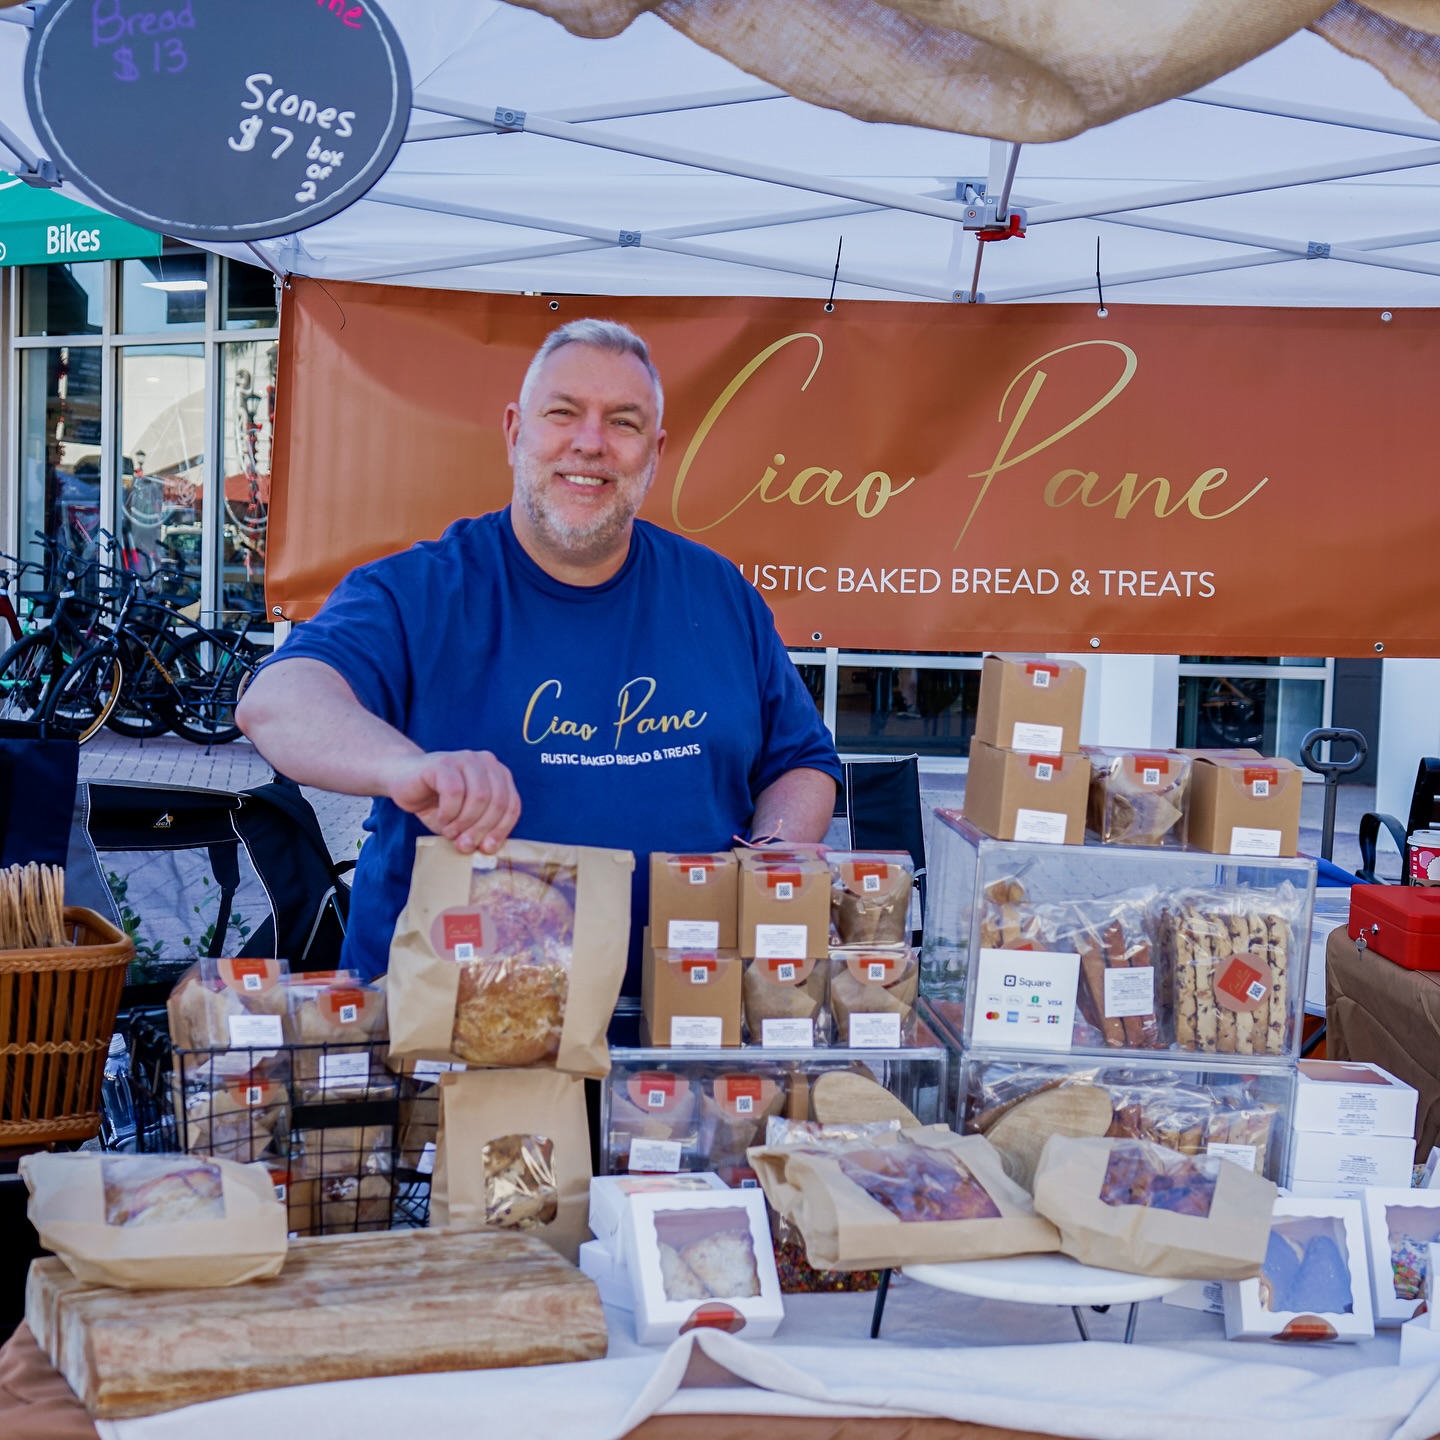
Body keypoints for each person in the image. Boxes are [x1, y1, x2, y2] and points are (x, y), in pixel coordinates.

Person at [236, 318, 840, 989]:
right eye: (563, 414)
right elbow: (278, 702)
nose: (590, 443)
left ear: (655, 451)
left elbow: (801, 759)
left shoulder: (718, 592)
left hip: (677, 1025)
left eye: (623, 421)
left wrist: (777, 853)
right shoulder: (422, 589)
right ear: (514, 431)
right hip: (454, 1028)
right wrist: (405, 767)